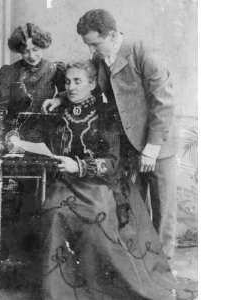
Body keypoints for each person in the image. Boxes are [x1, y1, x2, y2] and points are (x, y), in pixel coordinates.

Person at [10, 61, 195, 300]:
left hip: (103, 184)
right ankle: (59, 291)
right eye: (67, 82)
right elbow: (43, 142)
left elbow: (113, 162)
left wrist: (79, 165)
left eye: (78, 81)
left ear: (92, 84)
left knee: (94, 216)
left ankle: (97, 287)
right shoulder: (59, 111)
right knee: (52, 212)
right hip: (67, 183)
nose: (72, 87)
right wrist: (17, 140)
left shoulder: (105, 114)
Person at [43, 9, 177, 258]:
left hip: (158, 144)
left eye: (95, 43)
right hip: (128, 144)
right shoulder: (100, 59)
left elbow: (164, 103)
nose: (92, 50)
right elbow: (87, 85)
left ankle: (164, 272)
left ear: (113, 35)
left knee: (163, 210)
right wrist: (61, 98)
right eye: (89, 45)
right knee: (135, 208)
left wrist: (152, 147)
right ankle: (144, 267)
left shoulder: (143, 52)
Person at [0, 22, 65, 277]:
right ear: (19, 50)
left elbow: (72, 93)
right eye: (26, 50)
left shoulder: (57, 71)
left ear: (44, 46)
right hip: (12, 137)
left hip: (44, 141)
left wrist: (59, 98)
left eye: (36, 48)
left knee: (44, 193)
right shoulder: (8, 73)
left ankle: (36, 260)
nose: (31, 55)